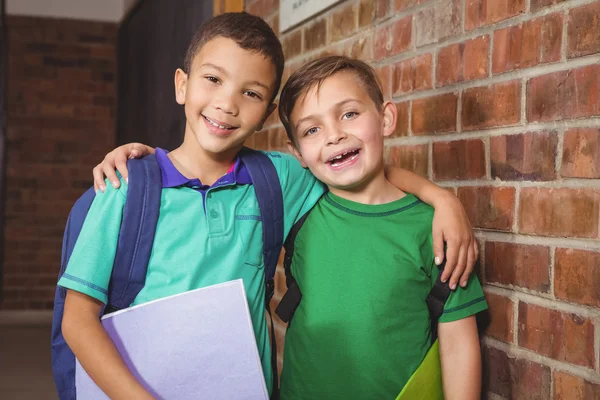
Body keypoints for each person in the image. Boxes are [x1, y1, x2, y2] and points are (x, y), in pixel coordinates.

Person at [83, 12, 478, 399]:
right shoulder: (133, 184)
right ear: (182, 85)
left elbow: (368, 178)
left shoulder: (288, 181)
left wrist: (442, 199)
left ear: (266, 115)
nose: (227, 103)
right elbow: (78, 319)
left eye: (250, 92)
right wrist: (148, 167)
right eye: (213, 79)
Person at [273, 55, 488, 400]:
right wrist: (153, 167)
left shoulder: (433, 230)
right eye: (312, 130)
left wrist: (443, 202)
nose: (335, 135)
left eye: (349, 114)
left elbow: (459, 345)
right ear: (297, 153)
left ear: (386, 118)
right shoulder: (299, 205)